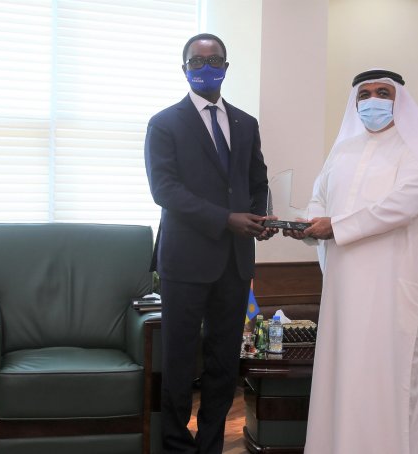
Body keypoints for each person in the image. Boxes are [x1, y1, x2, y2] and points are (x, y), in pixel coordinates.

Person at [284, 69, 418, 453]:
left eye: (382, 93)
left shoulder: (417, 153)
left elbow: (405, 204)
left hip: (390, 289)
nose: (372, 101)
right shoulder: (343, 151)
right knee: (341, 376)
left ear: (399, 101)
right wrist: (306, 226)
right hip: (343, 288)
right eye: (364, 94)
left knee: (381, 379)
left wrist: (335, 226)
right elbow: (319, 200)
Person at [144, 33, 276, 454]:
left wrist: (260, 217)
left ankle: (211, 445)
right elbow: (165, 190)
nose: (206, 68)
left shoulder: (246, 123)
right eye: (197, 62)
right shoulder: (164, 123)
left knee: (223, 362)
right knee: (180, 361)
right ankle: (176, 445)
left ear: (226, 67)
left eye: (214, 60)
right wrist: (226, 219)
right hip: (185, 261)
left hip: (235, 262)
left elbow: (257, 182)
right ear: (184, 69)